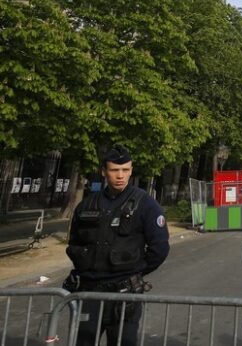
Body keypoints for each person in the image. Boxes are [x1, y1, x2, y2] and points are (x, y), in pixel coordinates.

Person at [64, 145, 170, 346]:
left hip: (124, 294)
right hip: (89, 291)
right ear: (104, 171)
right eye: (114, 170)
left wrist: (134, 274)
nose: (120, 175)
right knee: (84, 341)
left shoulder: (146, 204)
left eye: (125, 170)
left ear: (131, 170)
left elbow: (160, 249)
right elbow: (74, 243)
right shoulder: (87, 205)